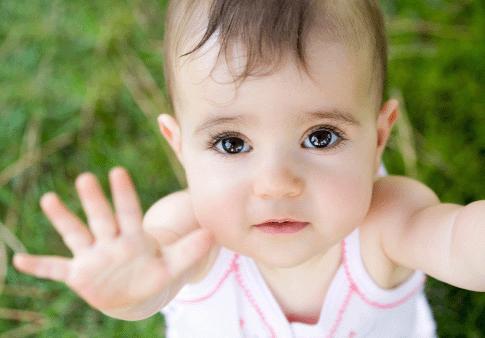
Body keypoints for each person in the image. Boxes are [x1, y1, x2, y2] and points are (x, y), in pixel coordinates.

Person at [13, 1, 485, 337]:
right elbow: (149, 284)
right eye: (232, 143)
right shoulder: (185, 232)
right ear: (179, 146)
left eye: (320, 137)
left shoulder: (389, 220)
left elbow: (462, 245)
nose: (277, 184)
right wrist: (126, 291)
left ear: (379, 136)